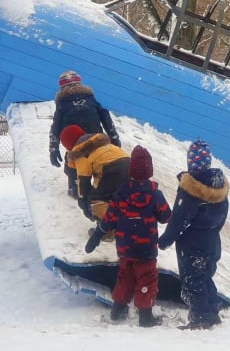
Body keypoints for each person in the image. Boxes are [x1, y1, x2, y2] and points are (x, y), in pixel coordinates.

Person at [85, 145, 172, 327]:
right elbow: (166, 217)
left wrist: (97, 235)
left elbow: (109, 218)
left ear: (130, 171)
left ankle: (117, 310)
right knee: (147, 278)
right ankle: (145, 315)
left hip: (125, 247)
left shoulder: (120, 194)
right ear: (150, 170)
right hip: (146, 249)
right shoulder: (155, 195)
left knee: (125, 276)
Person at [158, 139, 230, 330]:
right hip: (213, 241)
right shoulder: (220, 187)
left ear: (191, 162)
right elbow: (222, 218)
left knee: (193, 281)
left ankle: (200, 318)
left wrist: (165, 240)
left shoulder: (190, 189)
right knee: (205, 276)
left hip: (193, 244)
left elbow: (179, 219)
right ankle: (212, 311)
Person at [49, 70, 121, 199]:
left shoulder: (62, 103)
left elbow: (56, 126)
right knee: (99, 164)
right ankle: (101, 186)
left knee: (72, 165)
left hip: (76, 145)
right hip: (97, 140)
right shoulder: (90, 98)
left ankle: (75, 187)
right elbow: (105, 116)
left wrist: (53, 147)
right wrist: (114, 137)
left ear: (62, 87)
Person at [60, 125, 130, 224]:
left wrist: (83, 201)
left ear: (69, 145)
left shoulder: (80, 152)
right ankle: (129, 222)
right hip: (128, 164)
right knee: (122, 195)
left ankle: (106, 229)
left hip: (109, 169)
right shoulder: (98, 141)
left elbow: (84, 180)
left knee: (96, 198)